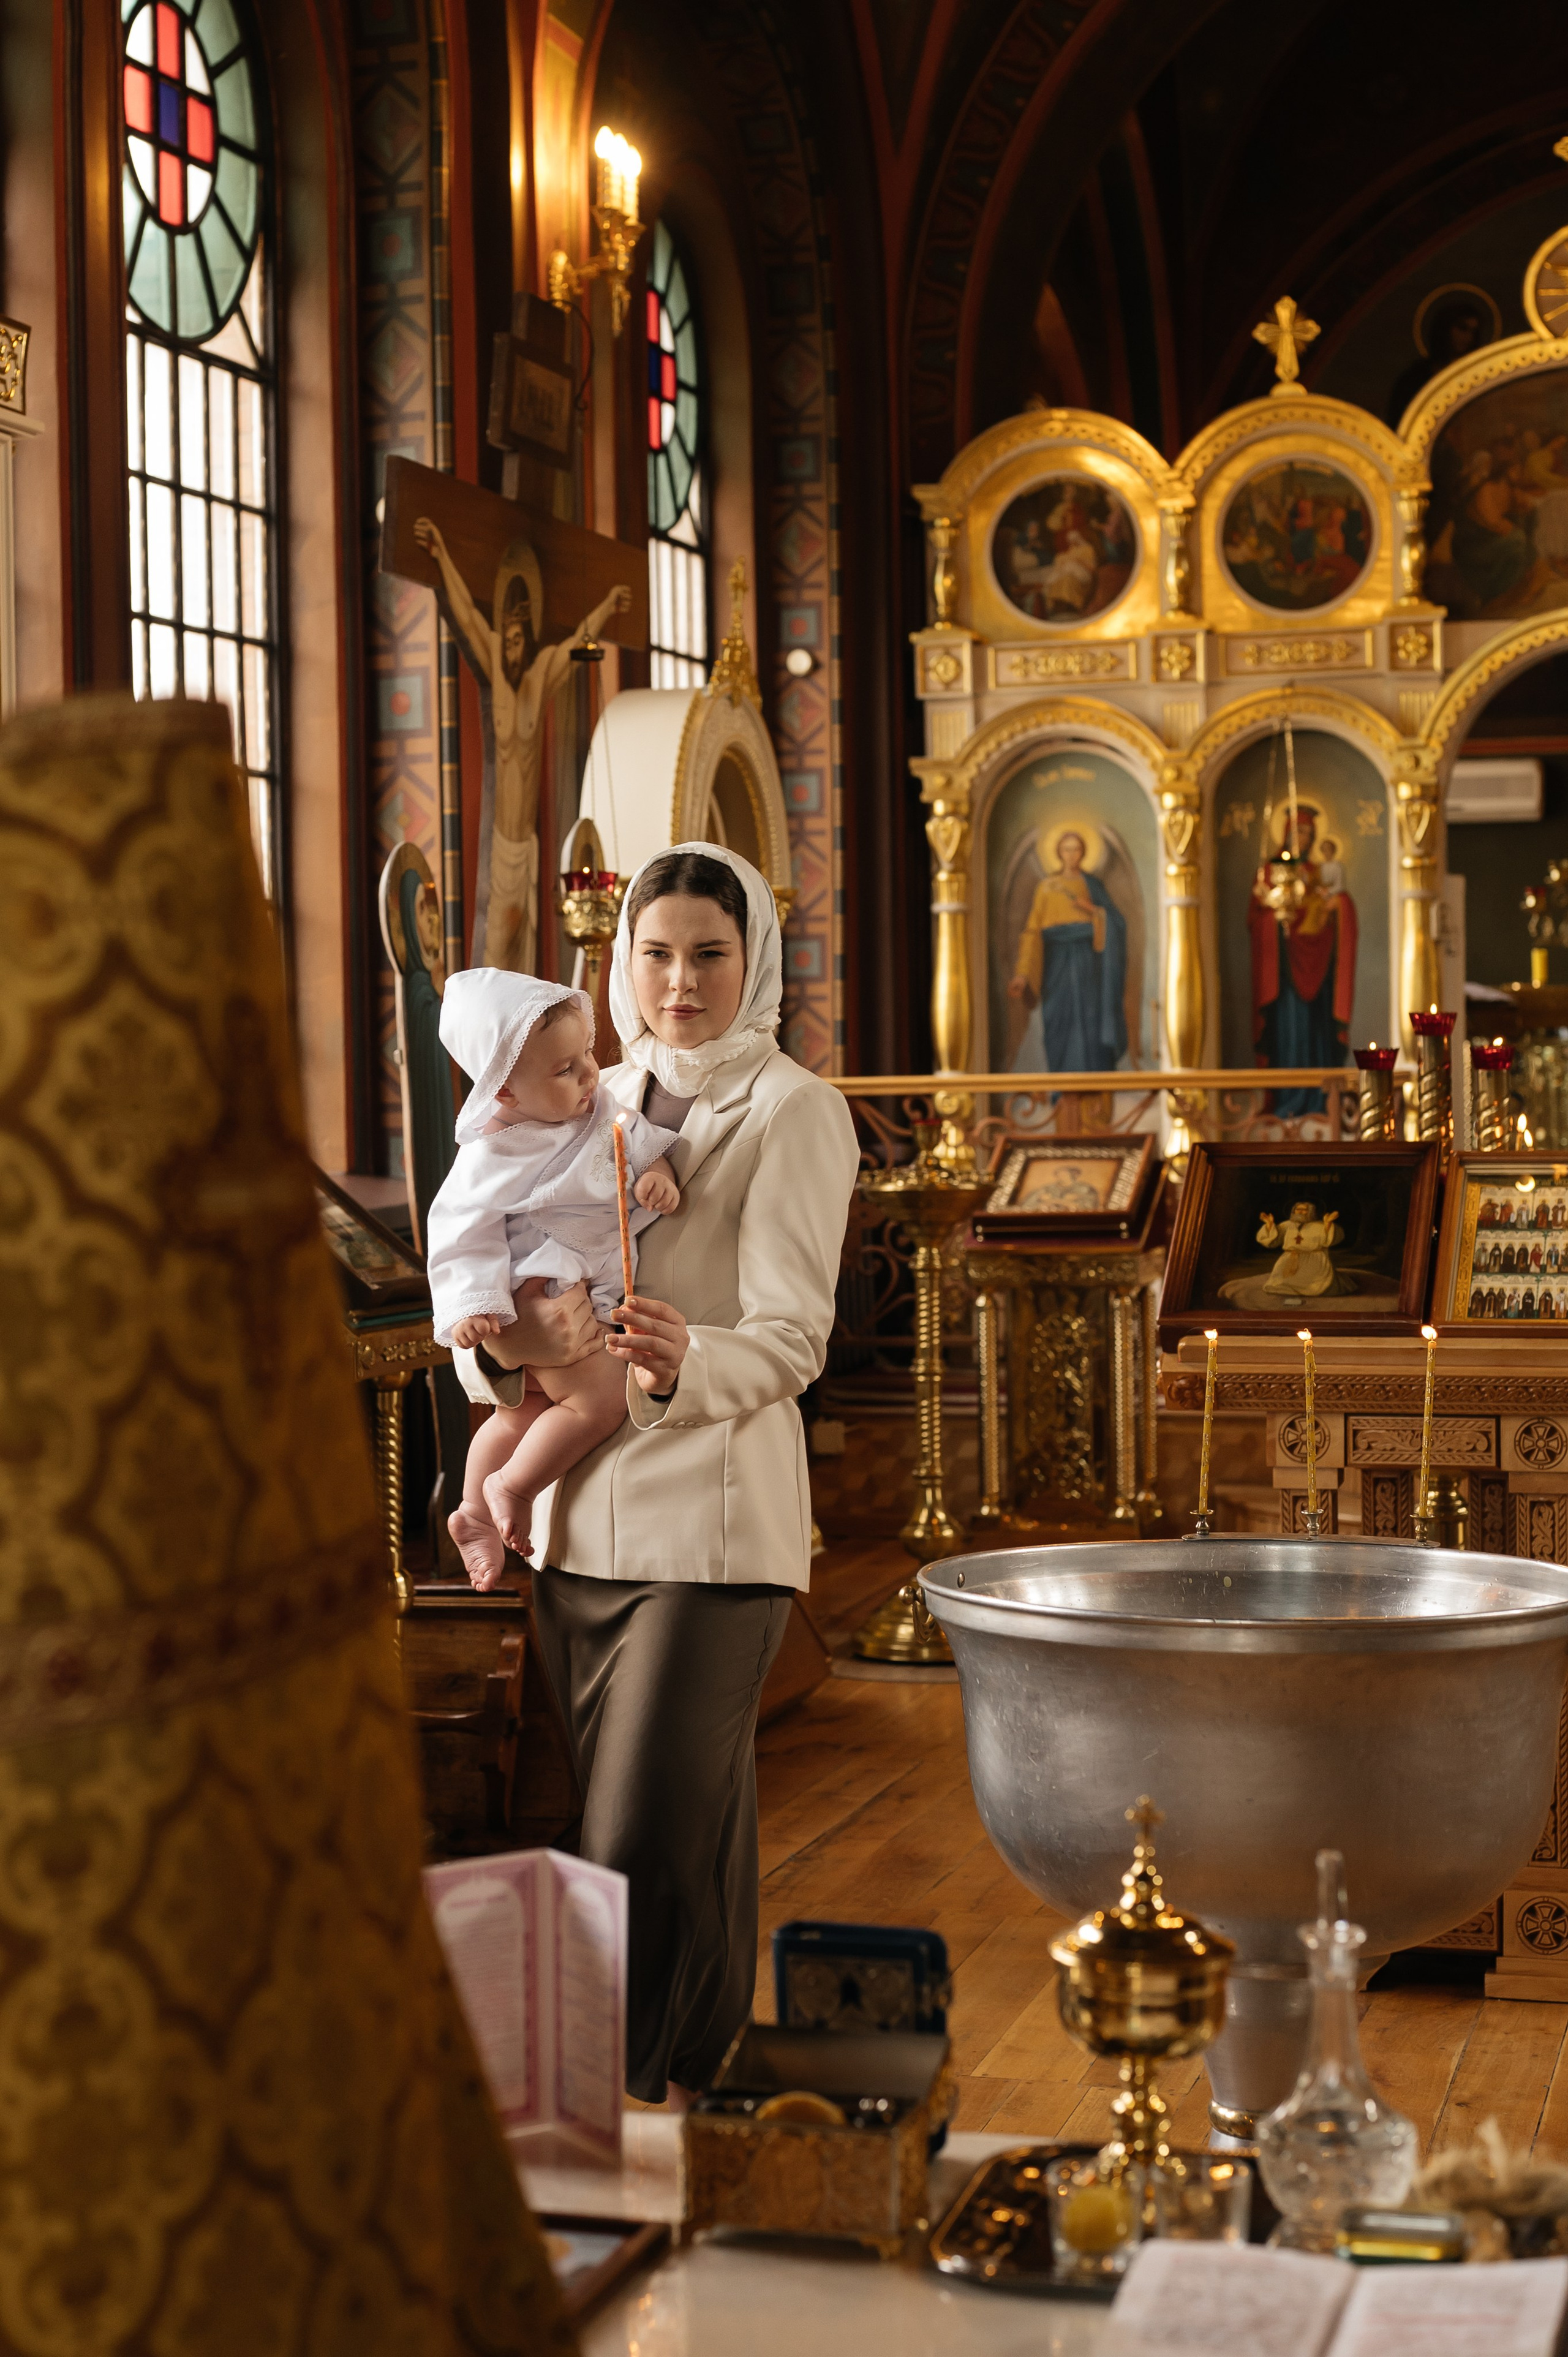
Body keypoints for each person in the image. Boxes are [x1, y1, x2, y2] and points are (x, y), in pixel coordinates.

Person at [454, 843, 859, 2106]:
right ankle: (697, 2089)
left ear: (755, 961)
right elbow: (485, 1260)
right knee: (696, 1833)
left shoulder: (795, 1109)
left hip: (714, 1529)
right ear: (619, 961)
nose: (680, 981)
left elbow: (792, 1337)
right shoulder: (579, 1086)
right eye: (657, 953)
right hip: (579, 1522)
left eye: (709, 954)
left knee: (635, 1832)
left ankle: (590, 2099)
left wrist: (691, 1358)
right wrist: (501, 1348)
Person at [426, 970, 680, 1585]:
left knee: (519, 1419)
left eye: (588, 1052)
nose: (591, 1073)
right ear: (504, 1091)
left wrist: (658, 1175)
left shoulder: (602, 1109)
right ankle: (512, 1488)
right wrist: (476, 1306)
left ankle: (472, 1513)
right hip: (550, 1291)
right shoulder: (490, 1154)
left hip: (591, 1288)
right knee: (601, 1400)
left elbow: (642, 1144)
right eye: (566, 1069)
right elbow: (461, 1234)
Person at [414, 515, 631, 973]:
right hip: (499, 844)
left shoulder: (542, 673)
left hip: (527, 845)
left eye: (518, 640)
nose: (512, 649)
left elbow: (579, 641)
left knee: (522, 958)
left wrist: (608, 606)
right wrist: (441, 555)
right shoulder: (494, 666)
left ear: (528, 638)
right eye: (508, 640)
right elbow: (465, 614)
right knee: (495, 954)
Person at [1009, 829, 1128, 1072]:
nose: (1072, 855)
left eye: (1077, 850)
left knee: (1089, 1019)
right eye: (1067, 850)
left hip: (1088, 964)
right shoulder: (1046, 888)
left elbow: (1116, 924)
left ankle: (1093, 1081)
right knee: (1058, 1022)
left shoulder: (1092, 886)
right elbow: (1032, 933)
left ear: (1083, 853)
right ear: (1059, 853)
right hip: (1056, 964)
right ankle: (1061, 1083)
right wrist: (1022, 974)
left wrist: (1092, 910)